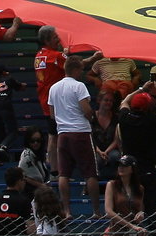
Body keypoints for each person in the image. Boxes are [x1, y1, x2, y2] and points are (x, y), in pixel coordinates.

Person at [48, 55, 99, 216]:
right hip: (80, 132)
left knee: (64, 173)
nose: (82, 73)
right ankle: (96, 210)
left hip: (63, 133)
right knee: (90, 173)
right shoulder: (79, 86)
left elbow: (51, 114)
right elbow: (86, 109)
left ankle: (67, 210)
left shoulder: (53, 88)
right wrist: (91, 116)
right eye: (81, 70)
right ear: (76, 70)